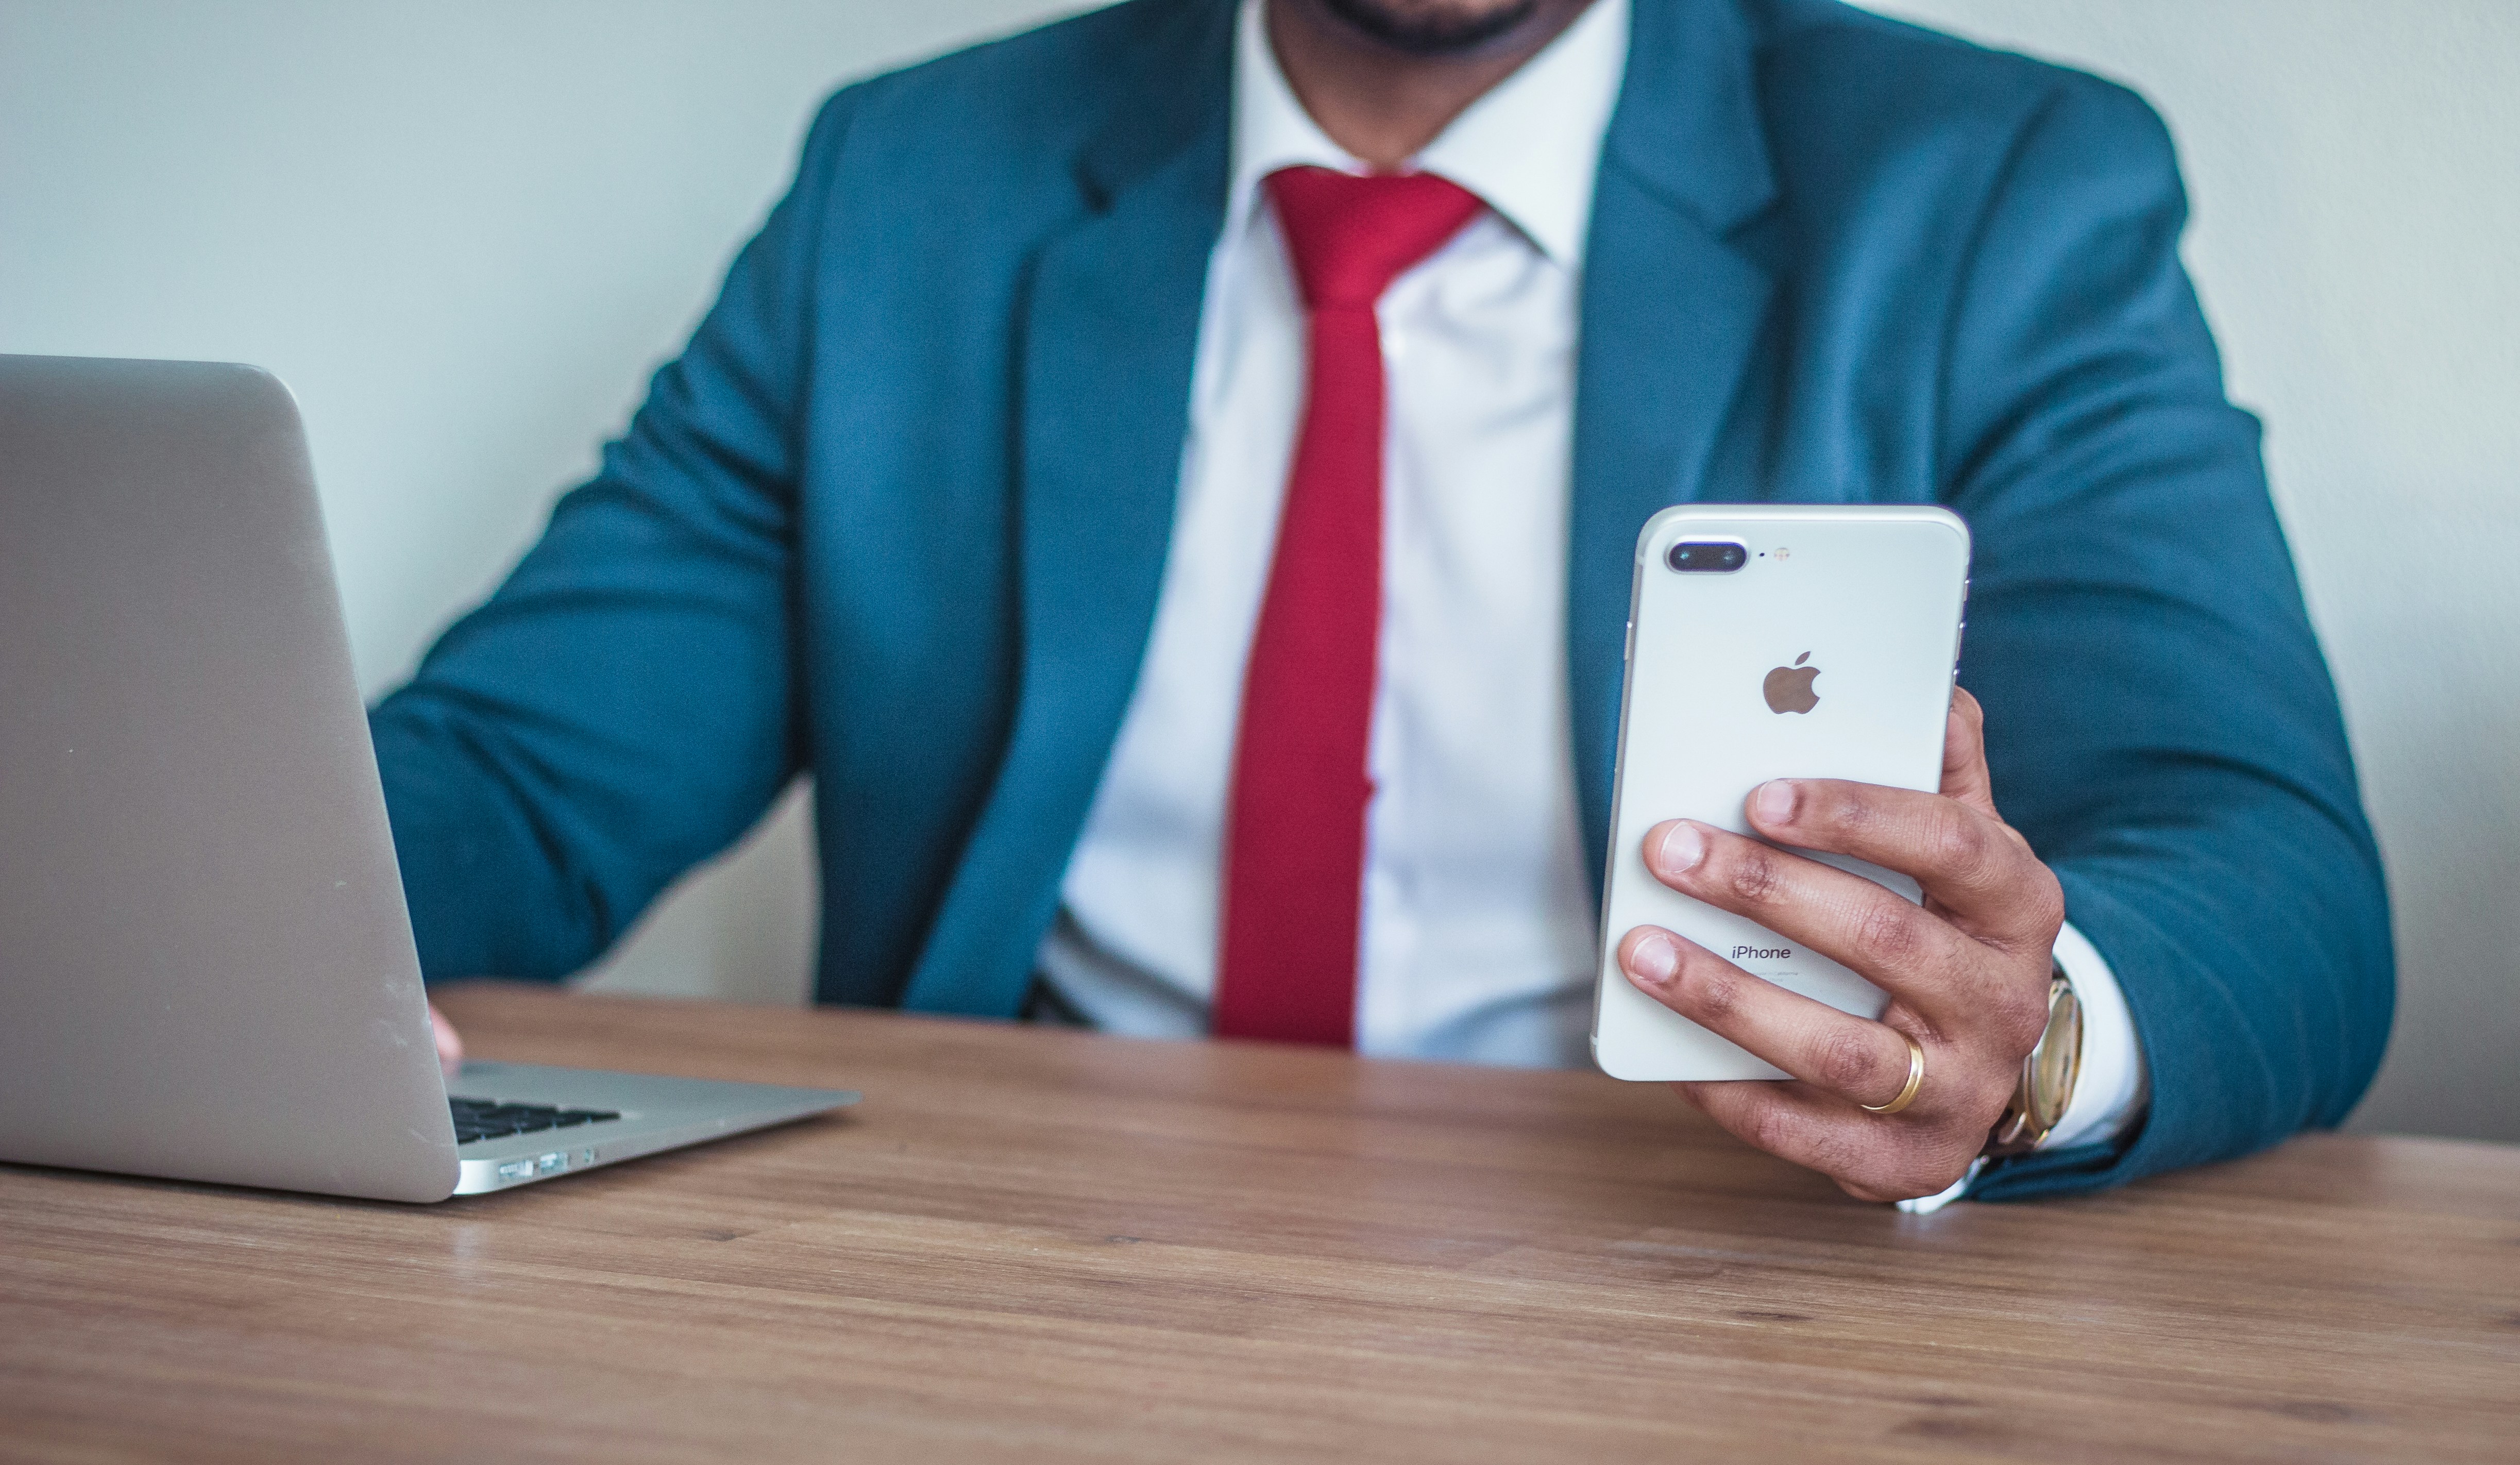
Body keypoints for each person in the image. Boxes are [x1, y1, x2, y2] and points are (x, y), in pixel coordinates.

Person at [383, 0, 2392, 1205]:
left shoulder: (1991, 188)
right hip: (999, 1272)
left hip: (1693, 1265)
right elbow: (523, 774)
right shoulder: (910, 180)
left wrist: (2023, 1039)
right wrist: (150, 905)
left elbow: (2263, 865)